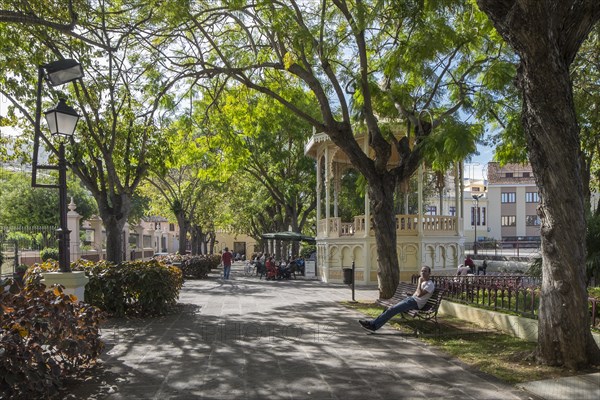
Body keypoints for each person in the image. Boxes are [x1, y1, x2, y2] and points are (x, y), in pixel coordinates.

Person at [358, 266, 435, 332]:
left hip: (415, 303)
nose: (423, 273)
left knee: (392, 310)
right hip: (411, 299)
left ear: (429, 273)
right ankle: (373, 324)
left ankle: (373, 326)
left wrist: (419, 282)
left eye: (425, 271)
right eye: (422, 271)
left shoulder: (430, 284)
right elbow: (417, 293)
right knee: (390, 309)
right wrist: (411, 293)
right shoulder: (424, 282)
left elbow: (419, 295)